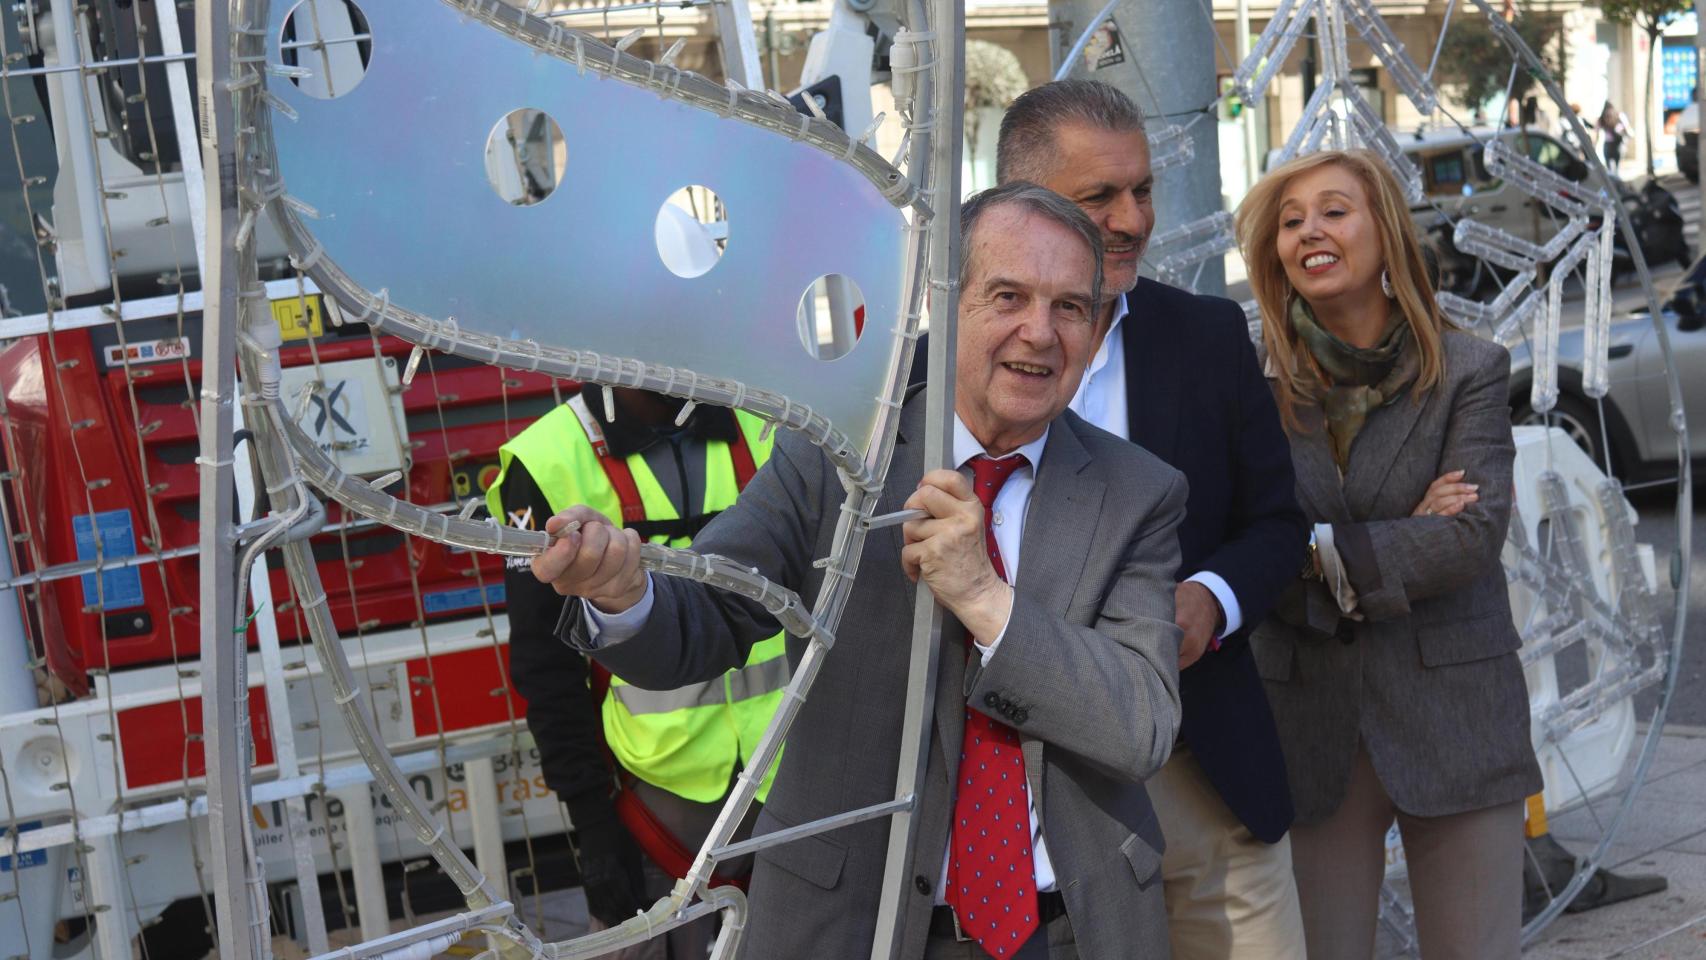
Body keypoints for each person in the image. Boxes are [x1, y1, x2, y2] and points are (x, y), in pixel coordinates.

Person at [534, 182, 1187, 960]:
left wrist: (985, 597)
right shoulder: (840, 457)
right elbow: (710, 612)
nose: (1039, 333)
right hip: (853, 930)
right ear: (944, 305)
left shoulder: (1137, 492)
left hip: (1071, 930)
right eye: (1007, 295)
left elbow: (1141, 725)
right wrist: (624, 591)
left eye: (1070, 307)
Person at [993, 79, 1311, 958]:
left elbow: (1279, 524)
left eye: (1143, 190)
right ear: (1022, 202)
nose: (1133, 218)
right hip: (1028, 795)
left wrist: (1211, 599)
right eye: (1101, 196)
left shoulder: (1206, 337)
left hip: (1204, 772)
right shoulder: (949, 359)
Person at [1233, 148, 1543, 959]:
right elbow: (1240, 549)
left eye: (1334, 211)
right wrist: (1401, 529)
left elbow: (1470, 538)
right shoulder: (1247, 384)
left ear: (1385, 232)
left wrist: (1305, 552)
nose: (1310, 232)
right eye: (1291, 222)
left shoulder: (1469, 370)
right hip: (1305, 724)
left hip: (1457, 714)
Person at [489, 385, 786, 959]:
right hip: (659, 810)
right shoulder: (546, 459)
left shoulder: (774, 422)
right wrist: (593, 825)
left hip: (801, 779)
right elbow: (545, 665)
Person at [1599, 101, 1629, 171]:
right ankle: (1615, 177)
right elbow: (1626, 127)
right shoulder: (1618, 115)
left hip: (1610, 143)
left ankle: (1613, 178)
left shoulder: (1603, 118)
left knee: (1610, 166)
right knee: (1616, 166)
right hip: (1616, 143)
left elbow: (1596, 130)